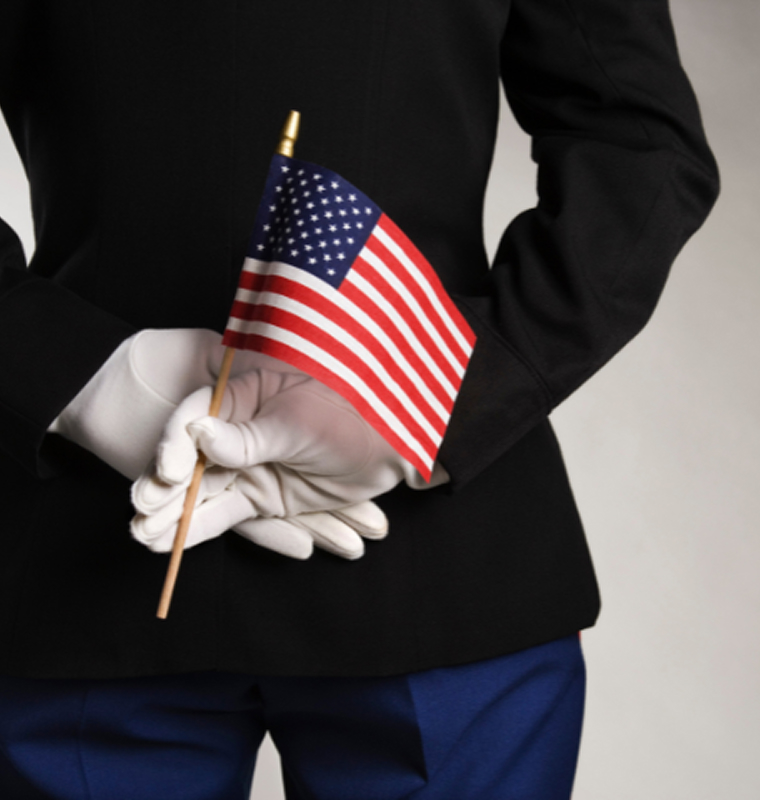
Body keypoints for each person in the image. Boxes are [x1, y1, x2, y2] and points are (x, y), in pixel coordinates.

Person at [0, 0, 718, 797]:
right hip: (95, 568)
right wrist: (78, 375)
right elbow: (641, 151)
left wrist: (423, 395)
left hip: (426, 569)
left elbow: (639, 149)